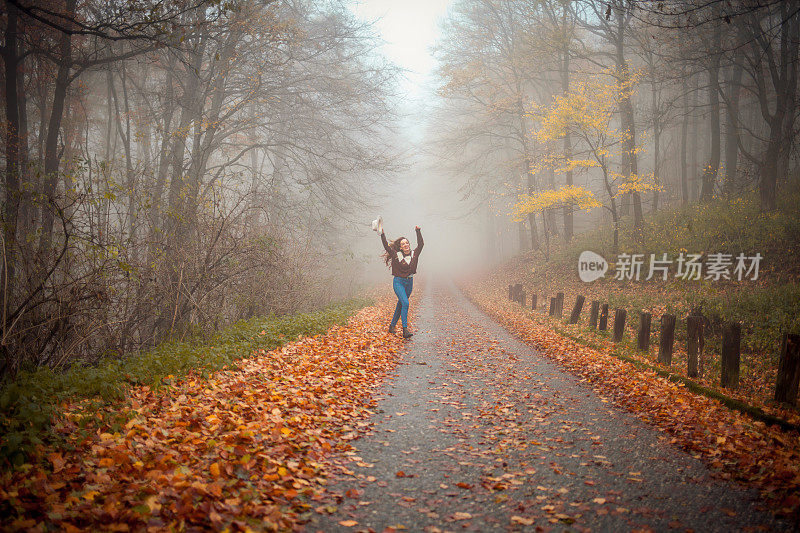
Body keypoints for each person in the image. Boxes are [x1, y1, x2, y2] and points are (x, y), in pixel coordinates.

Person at [380, 225, 423, 338]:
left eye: (407, 243)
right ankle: (405, 330)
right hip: (398, 282)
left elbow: (421, 244)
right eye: (403, 244)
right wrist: (382, 234)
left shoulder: (415, 254)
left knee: (401, 304)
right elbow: (386, 246)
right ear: (400, 247)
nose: (406, 245)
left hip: (409, 282)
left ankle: (392, 326)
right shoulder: (396, 255)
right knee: (405, 303)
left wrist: (418, 231)